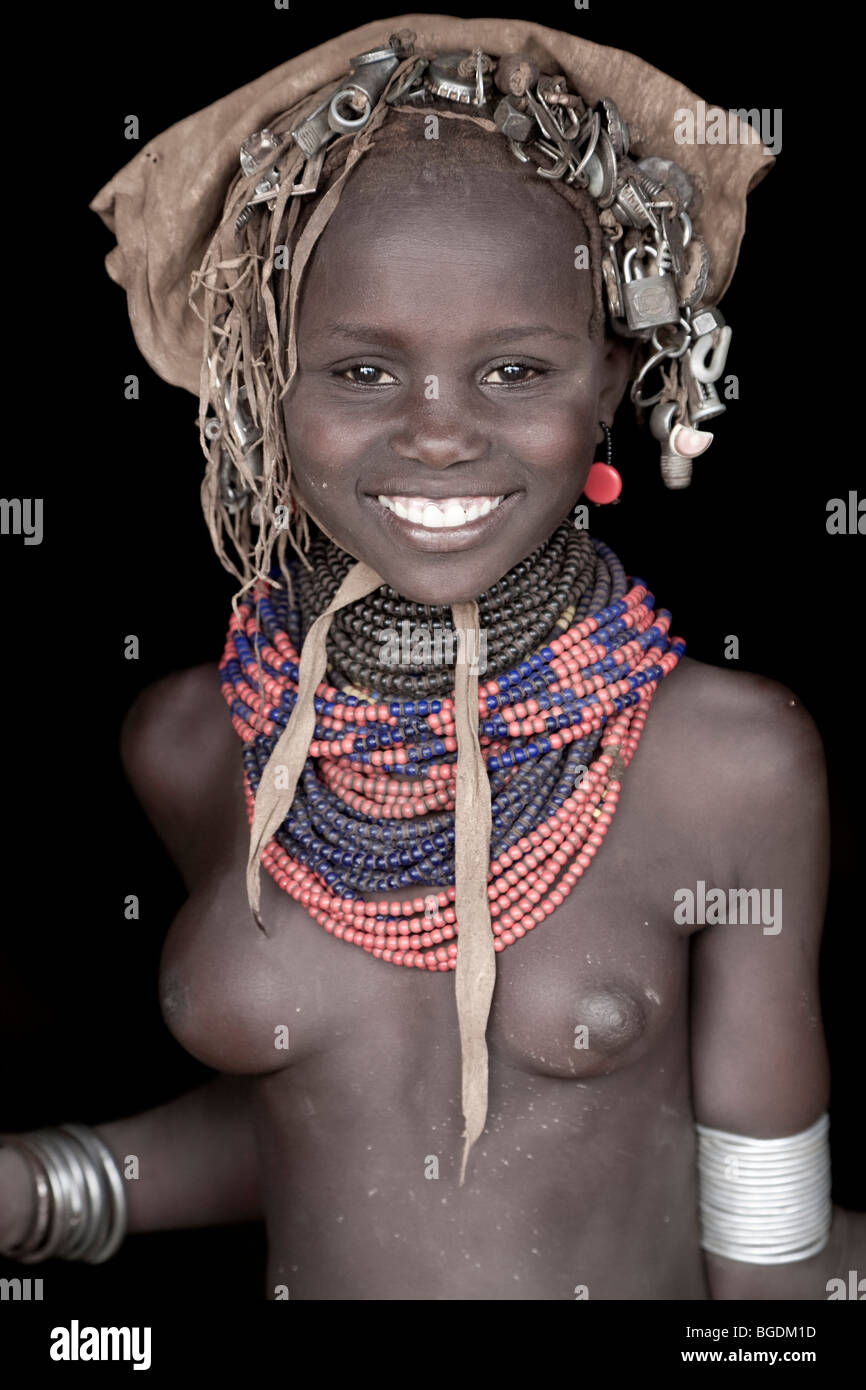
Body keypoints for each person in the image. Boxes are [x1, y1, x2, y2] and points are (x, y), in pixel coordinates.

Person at [1, 14, 862, 1300]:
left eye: (514, 367)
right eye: (360, 370)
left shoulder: (728, 765)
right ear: (260, 381)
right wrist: (52, 1188)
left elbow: (764, 1248)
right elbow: (337, 1133)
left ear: (613, 374)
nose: (439, 435)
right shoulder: (194, 740)